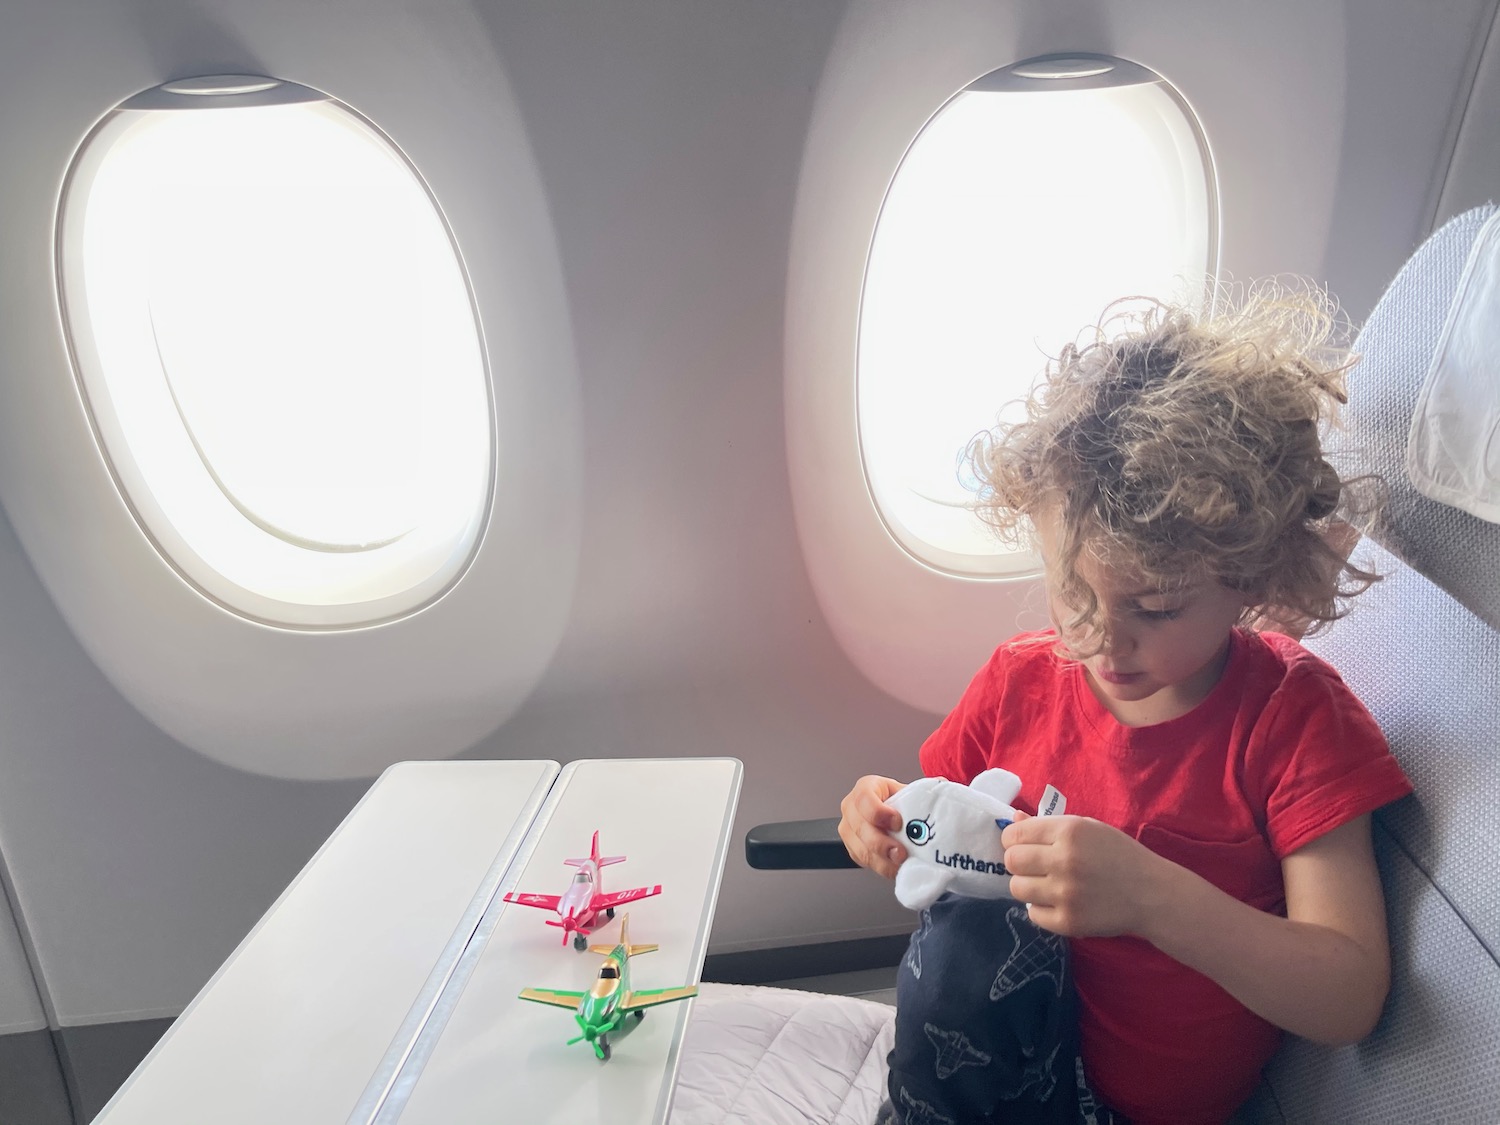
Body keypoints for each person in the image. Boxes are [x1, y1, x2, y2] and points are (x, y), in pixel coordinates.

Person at [839, 287, 1414, 1125]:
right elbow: (943, 826)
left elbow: (1348, 993)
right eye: (1072, 594)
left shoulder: (1294, 720)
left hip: (1143, 1111)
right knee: (967, 931)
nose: (1103, 643)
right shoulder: (1018, 679)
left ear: (1249, 576)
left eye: (1156, 608)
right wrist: (881, 817)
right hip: (999, 1073)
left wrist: (1152, 897)